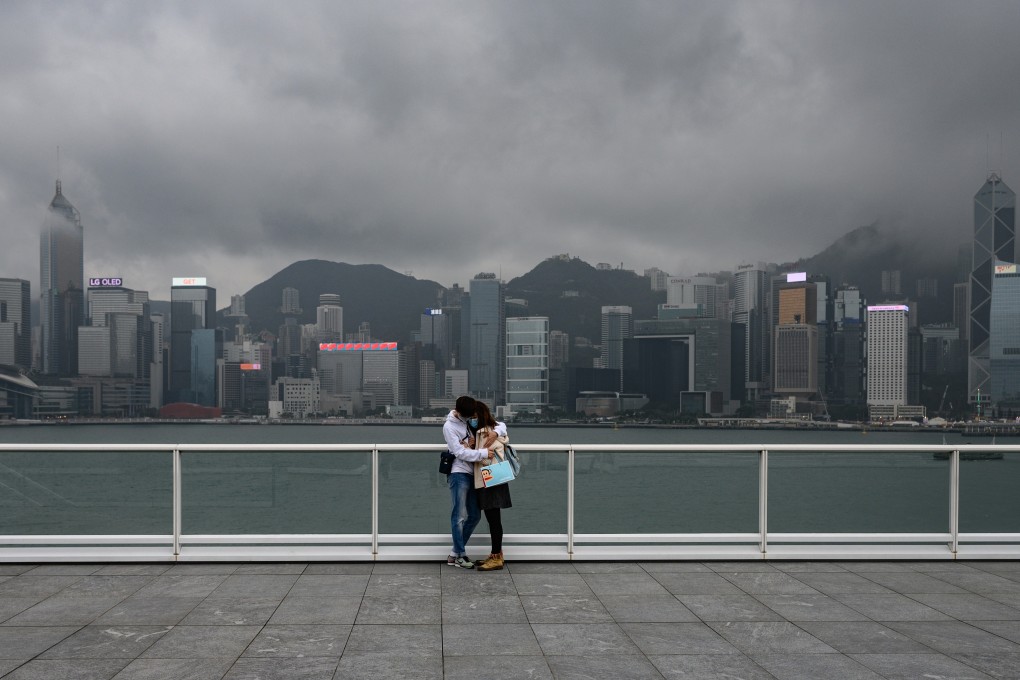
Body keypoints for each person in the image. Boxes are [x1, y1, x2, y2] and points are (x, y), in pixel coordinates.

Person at [442, 395, 493, 568]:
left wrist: (472, 445)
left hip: (473, 473)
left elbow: (500, 426)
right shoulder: (449, 427)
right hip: (458, 473)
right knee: (458, 516)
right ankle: (460, 555)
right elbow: (459, 453)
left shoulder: (468, 421)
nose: (472, 419)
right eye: (469, 416)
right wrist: (483, 453)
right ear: (461, 412)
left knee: (475, 515)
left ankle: (455, 553)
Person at [471, 401, 511, 571]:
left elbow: (492, 457)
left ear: (480, 415)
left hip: (491, 480)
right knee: (492, 519)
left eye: (473, 416)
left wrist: (473, 451)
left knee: (494, 520)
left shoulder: (488, 433)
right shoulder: (489, 430)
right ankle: (496, 554)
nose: (472, 419)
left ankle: (496, 557)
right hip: (490, 480)